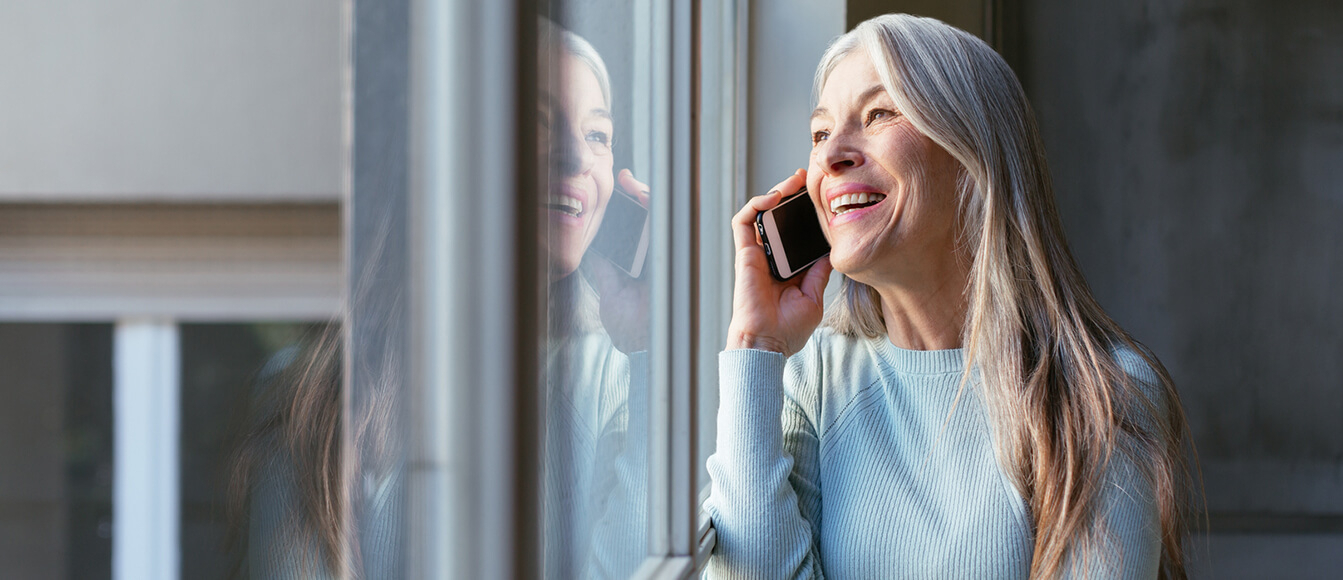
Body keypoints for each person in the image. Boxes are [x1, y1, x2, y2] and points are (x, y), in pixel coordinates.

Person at [705, 14, 1195, 579]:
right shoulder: (812, 379)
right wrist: (753, 345)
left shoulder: (1102, 395)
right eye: (820, 132)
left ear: (972, 158)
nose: (832, 154)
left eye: (880, 114)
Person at [231, 20, 651, 579]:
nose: (576, 158)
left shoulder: (621, 380)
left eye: (598, 135)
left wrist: (650, 346)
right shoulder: (319, 393)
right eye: (537, 122)